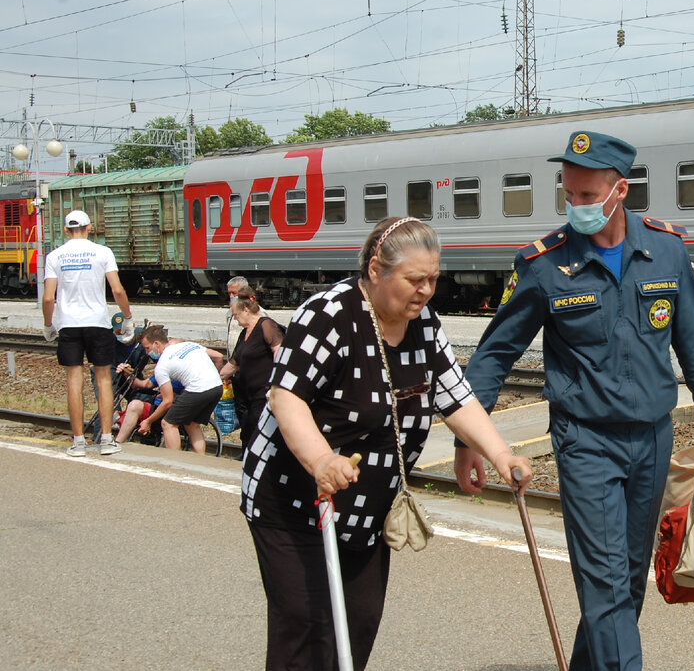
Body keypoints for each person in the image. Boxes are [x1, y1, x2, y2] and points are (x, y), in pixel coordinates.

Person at [457, 130, 694, 671]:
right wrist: (471, 438)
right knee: (606, 581)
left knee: (627, 583)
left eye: (588, 197)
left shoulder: (666, 249)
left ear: (621, 192)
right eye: (571, 196)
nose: (578, 208)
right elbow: (494, 354)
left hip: (653, 439)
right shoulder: (544, 265)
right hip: (585, 440)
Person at [242, 217, 531, 671]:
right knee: (306, 625)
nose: (426, 291)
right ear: (376, 269)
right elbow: (286, 397)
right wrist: (320, 459)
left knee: (357, 623)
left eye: (433, 279)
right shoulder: (329, 314)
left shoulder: (423, 322)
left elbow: (455, 396)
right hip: (295, 500)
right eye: (415, 279)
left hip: (366, 507)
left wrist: (501, 454)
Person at [43, 209, 134, 457]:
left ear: (65, 230)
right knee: (103, 378)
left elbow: (49, 297)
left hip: (69, 324)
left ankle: (78, 442)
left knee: (74, 379)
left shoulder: (54, 256)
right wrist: (127, 317)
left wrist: (48, 324)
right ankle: (106, 439)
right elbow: (117, 290)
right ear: (89, 228)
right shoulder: (103, 253)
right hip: (97, 322)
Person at [136, 325, 224, 453]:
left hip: (198, 389)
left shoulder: (162, 365)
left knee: (168, 423)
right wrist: (217, 374)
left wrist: (148, 421)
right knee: (192, 423)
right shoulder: (188, 345)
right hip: (216, 387)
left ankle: (175, 462)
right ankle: (201, 461)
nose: (146, 352)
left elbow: (167, 401)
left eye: (147, 348)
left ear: (156, 343)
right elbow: (219, 357)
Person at [219, 286, 284, 455]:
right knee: (247, 428)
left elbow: (279, 350)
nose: (236, 319)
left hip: (263, 390)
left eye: (236, 315)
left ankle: (256, 459)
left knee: (256, 426)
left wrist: (275, 382)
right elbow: (234, 362)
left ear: (246, 310)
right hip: (246, 393)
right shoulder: (244, 333)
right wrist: (217, 377)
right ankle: (247, 457)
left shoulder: (266, 325)